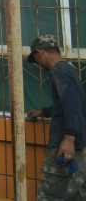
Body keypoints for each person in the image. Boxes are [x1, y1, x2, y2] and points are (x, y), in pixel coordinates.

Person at [27, 34, 86, 200]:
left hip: (64, 147)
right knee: (77, 192)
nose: (38, 64)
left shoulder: (59, 71)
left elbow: (72, 104)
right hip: (76, 146)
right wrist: (43, 112)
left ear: (40, 53)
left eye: (36, 59)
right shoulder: (69, 70)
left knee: (50, 194)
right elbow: (70, 104)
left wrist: (69, 138)